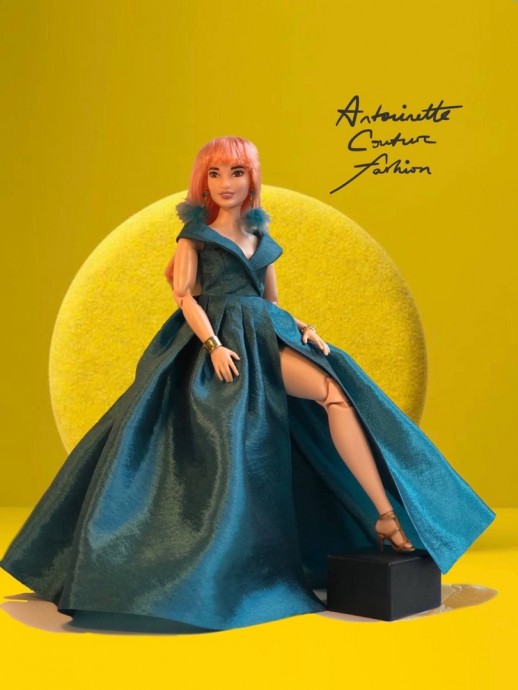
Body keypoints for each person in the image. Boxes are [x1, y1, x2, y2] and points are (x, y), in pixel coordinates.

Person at [0, 135, 495, 632]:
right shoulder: (195, 236)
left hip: (264, 335)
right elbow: (184, 295)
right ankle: (217, 566)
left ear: (251, 178)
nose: (226, 183)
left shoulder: (261, 234)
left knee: (336, 393)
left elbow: (270, 301)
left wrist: (303, 327)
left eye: (236, 172)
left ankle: (385, 514)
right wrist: (213, 345)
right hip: (219, 342)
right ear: (203, 181)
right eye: (215, 174)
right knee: (224, 435)